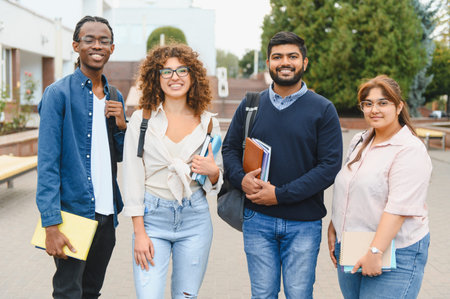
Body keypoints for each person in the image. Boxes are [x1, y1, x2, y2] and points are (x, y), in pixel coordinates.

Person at [222, 31, 343, 298]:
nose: (284, 62)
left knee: (299, 294)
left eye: (292, 56)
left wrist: (279, 195)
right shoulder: (251, 105)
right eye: (277, 57)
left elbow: (329, 166)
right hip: (257, 219)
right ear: (268, 63)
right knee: (262, 294)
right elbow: (229, 148)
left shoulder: (323, 109)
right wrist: (241, 178)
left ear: (305, 62)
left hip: (304, 222)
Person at [122, 44, 223, 299]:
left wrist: (213, 172)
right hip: (152, 220)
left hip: (195, 219)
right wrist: (139, 233)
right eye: (166, 72)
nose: (174, 77)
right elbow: (132, 178)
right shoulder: (141, 120)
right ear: (156, 78)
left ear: (193, 75)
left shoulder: (209, 122)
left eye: (181, 70)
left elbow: (215, 181)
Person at [35, 16, 126, 298]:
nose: (97, 45)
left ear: (112, 48)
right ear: (76, 45)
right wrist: (50, 224)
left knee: (91, 291)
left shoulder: (115, 96)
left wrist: (122, 125)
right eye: (89, 39)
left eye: (104, 41)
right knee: (68, 292)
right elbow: (47, 164)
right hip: (73, 214)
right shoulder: (57, 94)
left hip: (107, 215)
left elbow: (120, 156)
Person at [328, 75, 432, 298]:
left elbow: (398, 208)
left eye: (383, 102)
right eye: (368, 103)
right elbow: (349, 187)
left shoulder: (409, 149)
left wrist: (376, 251)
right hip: (353, 245)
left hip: (395, 250)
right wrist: (334, 226)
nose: (374, 109)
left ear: (399, 106)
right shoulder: (360, 140)